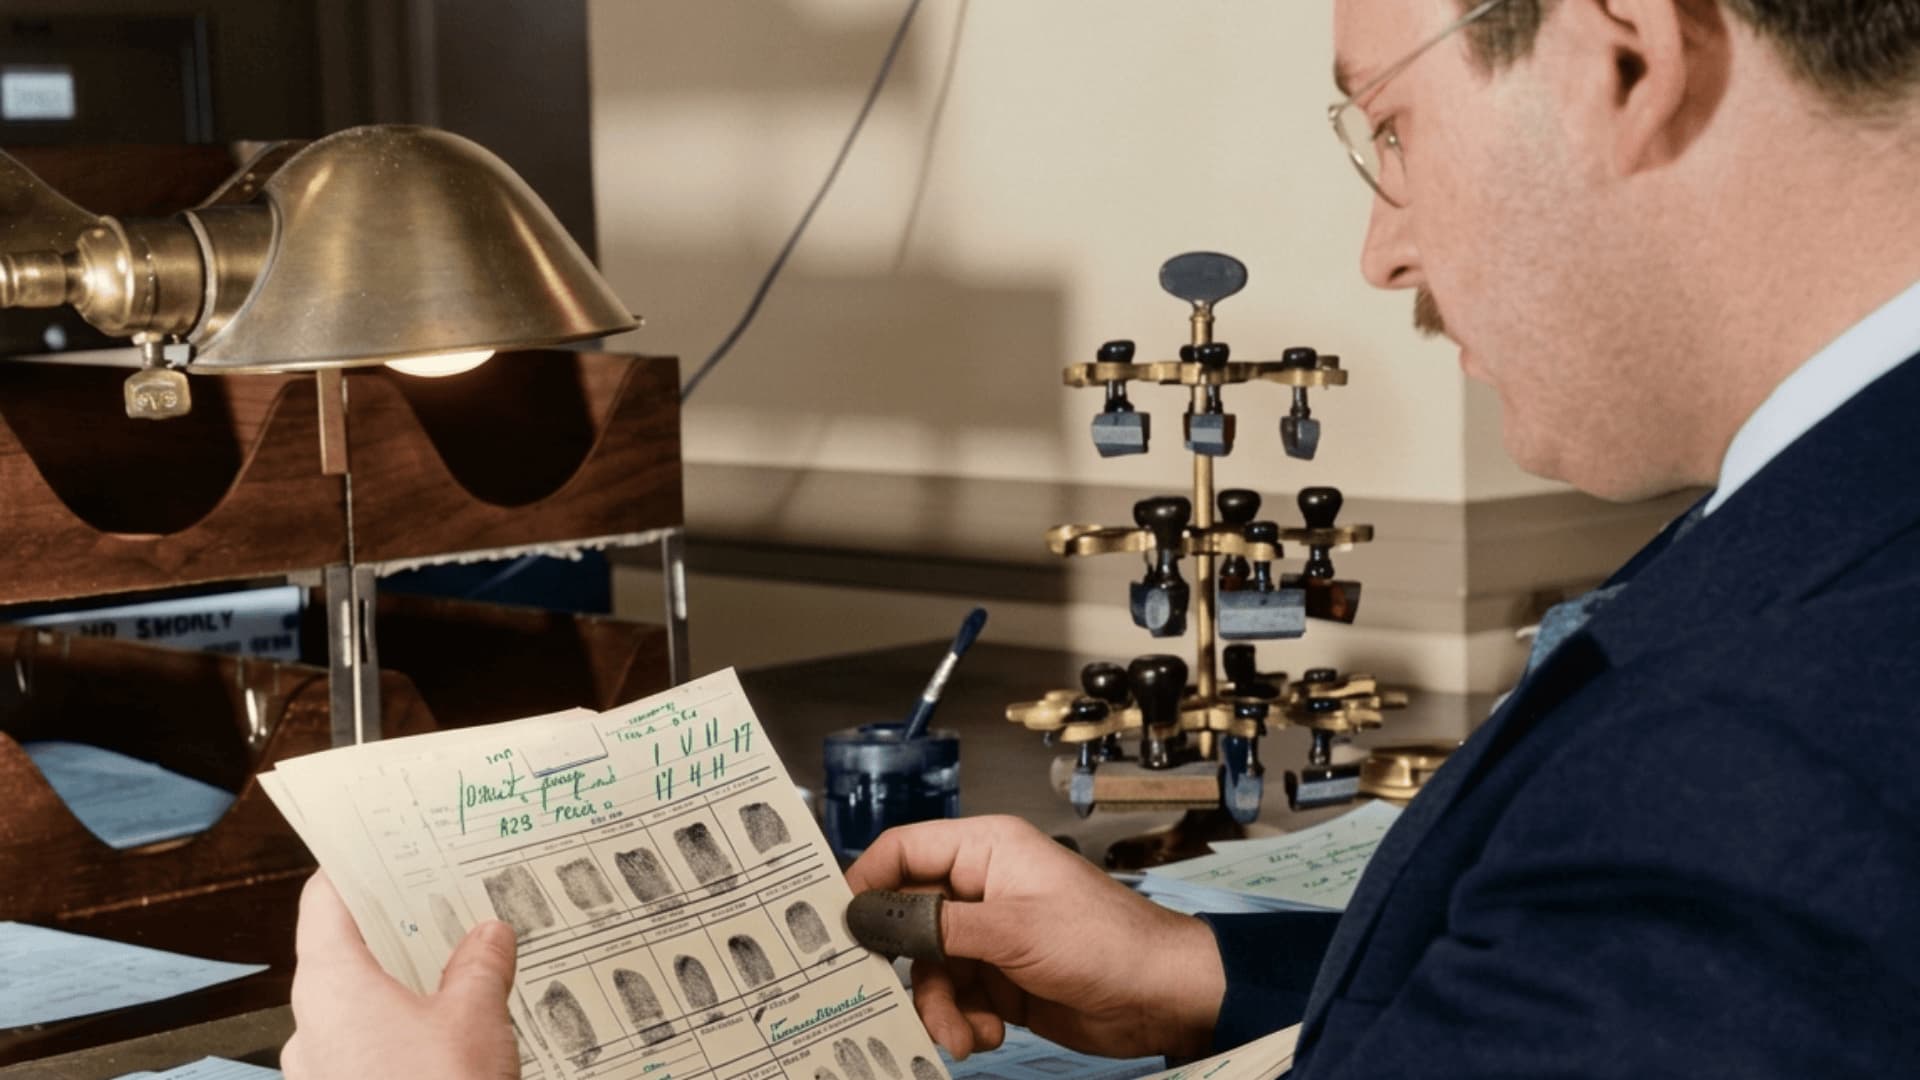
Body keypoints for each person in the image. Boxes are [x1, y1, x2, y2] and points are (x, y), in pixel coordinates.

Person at [284, 0, 1920, 1075]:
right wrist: (1206, 970)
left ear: (1614, 55)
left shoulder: (1769, 743)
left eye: (1390, 129)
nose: (1381, 248)